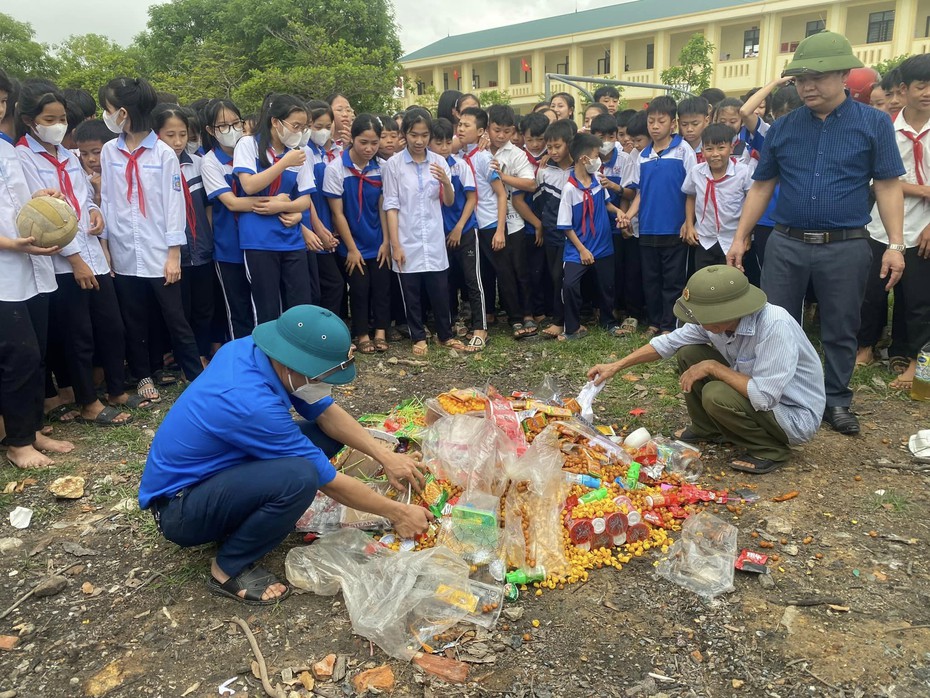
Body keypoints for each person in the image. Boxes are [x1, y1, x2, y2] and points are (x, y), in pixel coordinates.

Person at [139, 305, 432, 604]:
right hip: (180, 507)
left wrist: (386, 456)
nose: (325, 384)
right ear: (294, 366)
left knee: (320, 438)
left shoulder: (259, 352)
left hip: (219, 473)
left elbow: (325, 413)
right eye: (322, 376)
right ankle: (227, 567)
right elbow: (325, 479)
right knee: (300, 476)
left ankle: (253, 517)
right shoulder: (248, 401)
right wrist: (398, 513)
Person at [728, 31, 906, 436]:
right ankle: (785, 391)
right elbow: (762, 186)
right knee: (775, 323)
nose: (807, 86)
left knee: (841, 326)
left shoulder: (874, 123)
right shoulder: (785, 128)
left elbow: (888, 184)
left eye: (817, 77)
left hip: (845, 245)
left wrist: (895, 244)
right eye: (800, 79)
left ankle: (837, 399)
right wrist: (741, 237)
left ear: (843, 75)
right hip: (786, 243)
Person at [588, 265, 825, 474]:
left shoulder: (774, 325)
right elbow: (667, 343)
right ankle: (709, 430)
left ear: (725, 314)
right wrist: (616, 366)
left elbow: (764, 396)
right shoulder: (714, 324)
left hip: (792, 415)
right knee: (689, 353)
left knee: (716, 394)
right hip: (762, 396)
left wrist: (713, 367)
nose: (696, 321)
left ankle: (769, 449)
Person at [15, 80, 135, 425]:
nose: (58, 126)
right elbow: (40, 214)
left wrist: (96, 212)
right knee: (78, 335)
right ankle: (88, 403)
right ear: (29, 120)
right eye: (49, 119)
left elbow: (84, 198)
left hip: (92, 253)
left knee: (111, 325)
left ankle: (115, 389)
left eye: (62, 118)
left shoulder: (69, 156)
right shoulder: (23, 157)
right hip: (63, 262)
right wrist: (75, 258)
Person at [99, 77, 203, 404]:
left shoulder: (162, 153)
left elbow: (173, 207)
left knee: (176, 318)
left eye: (110, 109)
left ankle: (195, 377)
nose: (107, 114)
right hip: (125, 250)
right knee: (134, 318)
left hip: (159, 252)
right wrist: (106, 247)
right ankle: (144, 374)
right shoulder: (108, 151)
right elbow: (108, 201)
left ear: (125, 113)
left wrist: (173, 254)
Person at [0, 67, 75, 467]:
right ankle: (17, 443)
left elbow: (11, 203)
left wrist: (39, 197)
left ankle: (30, 430)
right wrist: (10, 242)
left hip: (29, 267)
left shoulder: (6, 148)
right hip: (4, 272)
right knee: (20, 355)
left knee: (37, 353)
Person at [858, 54, 930, 391]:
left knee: (917, 300)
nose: (928, 92)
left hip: (925, 229)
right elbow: (874, 179)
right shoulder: (884, 127)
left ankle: (914, 360)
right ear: (903, 89)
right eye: (922, 85)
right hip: (881, 225)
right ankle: (866, 346)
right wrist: (922, 190)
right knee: (871, 292)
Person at [382, 109, 465, 356]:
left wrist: (446, 182)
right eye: (413, 135)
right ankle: (418, 336)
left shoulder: (439, 162)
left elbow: (449, 202)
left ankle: (445, 334)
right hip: (406, 237)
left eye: (424, 135)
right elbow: (391, 206)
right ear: (404, 135)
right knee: (411, 292)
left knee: (440, 289)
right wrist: (395, 244)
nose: (419, 141)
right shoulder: (393, 165)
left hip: (433, 237)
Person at [233, 93, 316, 324]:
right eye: (295, 126)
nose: (299, 132)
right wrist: (283, 164)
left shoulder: (300, 153)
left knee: (300, 303)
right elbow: (248, 186)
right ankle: (268, 359)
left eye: (303, 127)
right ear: (275, 122)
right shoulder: (248, 144)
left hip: (291, 237)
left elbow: (305, 200)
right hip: (258, 239)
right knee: (266, 306)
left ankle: (299, 357)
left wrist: (284, 205)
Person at [620, 96, 697, 337]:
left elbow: (691, 192)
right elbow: (641, 193)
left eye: (660, 121)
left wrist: (688, 222)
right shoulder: (643, 155)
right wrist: (629, 215)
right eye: (651, 121)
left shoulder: (684, 150)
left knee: (672, 281)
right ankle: (653, 322)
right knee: (650, 279)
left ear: (672, 124)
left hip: (674, 229)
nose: (654, 126)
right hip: (648, 228)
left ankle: (669, 326)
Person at [153, 104, 215, 364]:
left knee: (203, 306)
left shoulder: (198, 164)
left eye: (183, 135)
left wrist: (210, 240)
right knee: (179, 308)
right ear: (155, 134)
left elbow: (208, 209)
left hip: (201, 247)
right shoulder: (152, 168)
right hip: (171, 251)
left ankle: (199, 354)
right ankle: (179, 355)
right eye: (170, 135)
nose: (178, 142)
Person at [324, 114, 391, 354]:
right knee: (359, 289)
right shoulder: (336, 169)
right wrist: (351, 249)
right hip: (351, 243)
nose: (370, 148)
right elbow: (337, 214)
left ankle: (381, 331)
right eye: (364, 142)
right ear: (352, 139)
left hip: (378, 240)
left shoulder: (382, 168)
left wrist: (386, 241)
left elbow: (384, 206)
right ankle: (362, 334)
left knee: (382, 287)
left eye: (375, 143)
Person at [430, 117, 487, 353]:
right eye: (438, 143)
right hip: (437, 234)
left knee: (473, 280)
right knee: (446, 282)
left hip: (464, 230)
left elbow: (472, 198)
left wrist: (458, 227)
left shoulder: (460, 165)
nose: (443, 148)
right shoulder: (426, 168)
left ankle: (480, 328)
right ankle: (450, 325)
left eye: (446, 142)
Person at [557, 132, 619, 340]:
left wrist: (619, 212)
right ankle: (572, 327)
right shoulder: (569, 189)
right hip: (578, 248)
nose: (598, 160)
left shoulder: (599, 180)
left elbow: (607, 204)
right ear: (584, 159)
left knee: (607, 285)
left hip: (603, 245)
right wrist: (582, 249)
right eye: (595, 155)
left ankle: (608, 321)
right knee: (570, 285)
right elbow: (566, 226)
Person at [484, 104, 537, 339]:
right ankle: (514, 317)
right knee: (502, 271)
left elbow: (530, 183)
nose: (501, 136)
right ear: (488, 127)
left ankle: (528, 314)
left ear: (513, 131)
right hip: (487, 220)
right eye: (497, 130)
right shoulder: (479, 150)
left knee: (520, 269)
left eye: (506, 131)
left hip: (514, 221)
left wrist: (502, 176)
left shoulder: (515, 153)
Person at [457, 107, 507, 330]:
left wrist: (499, 230)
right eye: (459, 124)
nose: (460, 128)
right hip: (473, 224)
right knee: (482, 271)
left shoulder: (485, 157)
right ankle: (488, 313)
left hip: (489, 222)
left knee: (502, 271)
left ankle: (517, 317)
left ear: (480, 131)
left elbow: (501, 193)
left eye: (466, 125)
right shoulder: (461, 156)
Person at [681, 124, 753, 270]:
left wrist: (747, 235)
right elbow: (691, 197)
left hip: (733, 240)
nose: (715, 154)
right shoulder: (696, 172)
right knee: (705, 283)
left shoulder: (743, 172)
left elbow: (751, 204)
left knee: (730, 284)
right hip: (704, 239)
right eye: (709, 149)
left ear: (731, 148)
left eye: (721, 148)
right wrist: (689, 225)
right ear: (702, 151)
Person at [536, 118, 576, 339]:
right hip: (552, 231)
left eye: (557, 146)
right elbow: (542, 203)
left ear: (569, 143)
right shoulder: (544, 171)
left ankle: (562, 321)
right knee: (554, 276)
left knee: (565, 277)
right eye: (549, 147)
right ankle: (562, 318)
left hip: (573, 233)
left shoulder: (579, 168)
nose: (552, 151)